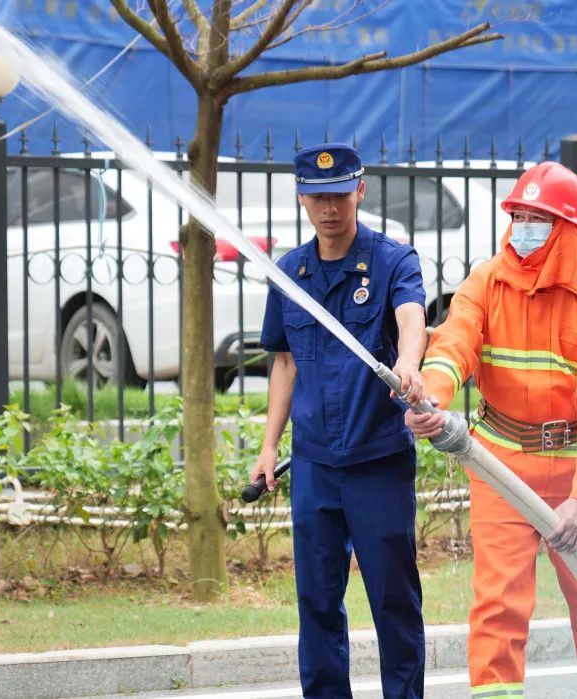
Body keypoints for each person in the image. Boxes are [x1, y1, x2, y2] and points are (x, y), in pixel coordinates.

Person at [405, 162, 577, 698]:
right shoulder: (486, 281)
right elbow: (455, 344)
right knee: (498, 610)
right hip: (500, 466)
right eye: (519, 215)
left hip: (575, 472)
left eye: (539, 218)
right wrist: (432, 396)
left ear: (570, 230)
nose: (524, 228)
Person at [251, 143, 429, 699]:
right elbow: (285, 363)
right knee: (317, 602)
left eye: (340, 195)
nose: (330, 208)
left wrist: (408, 363)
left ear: (360, 191)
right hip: (314, 466)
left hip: (378, 460)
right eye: (318, 198)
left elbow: (412, 317)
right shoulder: (290, 273)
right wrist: (268, 447)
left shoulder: (393, 260)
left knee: (393, 599)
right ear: (301, 198)